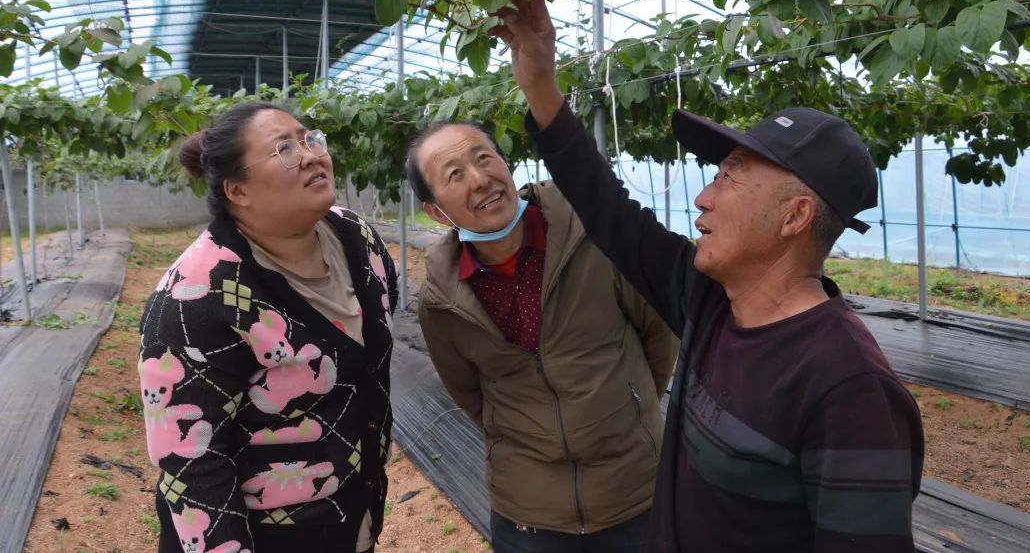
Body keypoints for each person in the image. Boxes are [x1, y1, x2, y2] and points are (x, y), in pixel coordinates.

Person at [488, 0, 924, 553]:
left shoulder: (849, 390)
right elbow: (606, 208)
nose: (702, 197)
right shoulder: (710, 299)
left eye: (731, 177)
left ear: (796, 216)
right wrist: (539, 83)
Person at [405, 120, 678, 552]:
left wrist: (631, 402)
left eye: (484, 158)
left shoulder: (595, 238)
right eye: (454, 175)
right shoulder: (442, 303)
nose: (480, 180)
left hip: (636, 493)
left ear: (505, 163)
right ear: (436, 211)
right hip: (529, 515)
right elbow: (469, 392)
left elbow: (658, 336)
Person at [138, 102, 397, 553]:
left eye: (309, 139)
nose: (313, 154)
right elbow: (192, 464)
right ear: (238, 191)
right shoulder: (194, 297)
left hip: (354, 516)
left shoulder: (358, 238)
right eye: (285, 149)